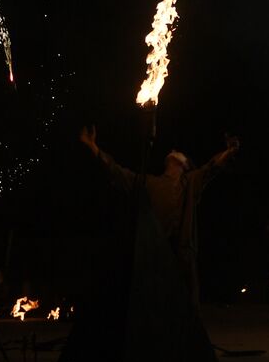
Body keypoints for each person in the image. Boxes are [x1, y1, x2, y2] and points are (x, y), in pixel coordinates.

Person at [78, 125, 239, 308]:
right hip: (155, 255)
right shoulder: (149, 184)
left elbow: (212, 167)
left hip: (183, 255)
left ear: (185, 165)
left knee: (188, 308)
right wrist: (93, 146)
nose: (172, 151)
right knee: (154, 305)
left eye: (178, 152)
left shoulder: (190, 182)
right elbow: (117, 172)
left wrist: (229, 151)